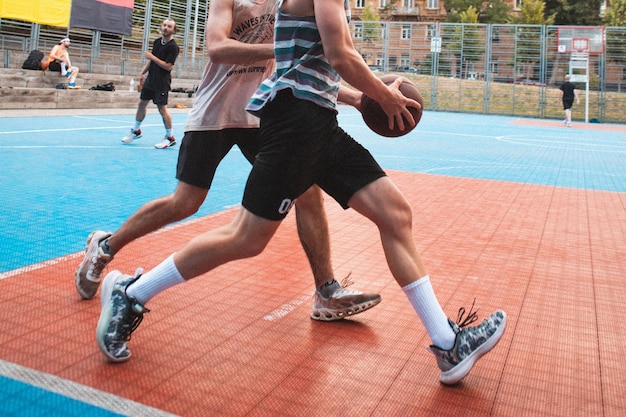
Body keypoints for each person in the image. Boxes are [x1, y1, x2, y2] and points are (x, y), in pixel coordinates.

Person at [96, 0, 507, 386]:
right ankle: (131, 293)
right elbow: (341, 53)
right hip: (295, 120)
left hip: (317, 119)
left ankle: (448, 345)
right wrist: (383, 96)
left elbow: (317, 58)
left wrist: (360, 95)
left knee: (394, 213)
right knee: (246, 238)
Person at [76, 0, 380, 323]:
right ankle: (106, 245)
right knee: (186, 202)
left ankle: (326, 291)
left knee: (309, 191)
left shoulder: (285, 2)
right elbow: (217, 47)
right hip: (216, 111)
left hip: (259, 114)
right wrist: (276, 50)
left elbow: (299, 68)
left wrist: (356, 98)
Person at [121, 18, 180, 149]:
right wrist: (142, 73)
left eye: (169, 26)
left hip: (162, 82)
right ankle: (136, 130)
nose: (166, 28)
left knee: (161, 108)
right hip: (150, 80)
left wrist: (152, 57)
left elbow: (168, 66)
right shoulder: (157, 42)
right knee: (141, 104)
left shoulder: (173, 47)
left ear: (173, 30)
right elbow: (151, 61)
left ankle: (170, 137)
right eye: (164, 25)